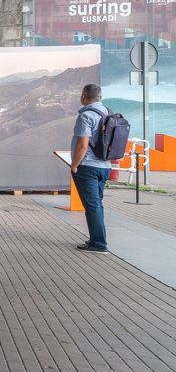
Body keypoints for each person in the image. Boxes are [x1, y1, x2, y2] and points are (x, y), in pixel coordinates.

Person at [71, 83, 114, 253]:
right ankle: (97, 239)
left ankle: (98, 243)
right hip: (105, 166)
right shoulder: (108, 113)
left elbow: (82, 145)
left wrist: (74, 165)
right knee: (97, 204)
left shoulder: (86, 116)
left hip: (87, 166)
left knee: (92, 206)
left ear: (84, 96)